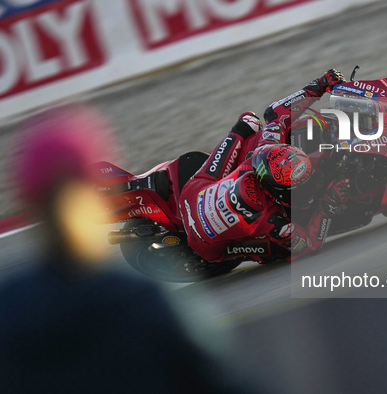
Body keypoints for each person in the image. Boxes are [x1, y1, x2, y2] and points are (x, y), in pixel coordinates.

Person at [0, 106, 259, 394]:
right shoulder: (138, 298)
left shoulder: (9, 307)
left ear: (30, 201)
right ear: (89, 190)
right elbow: (218, 379)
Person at [180, 69, 351, 263]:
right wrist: (328, 204)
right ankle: (242, 255)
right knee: (287, 251)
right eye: (298, 188)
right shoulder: (275, 221)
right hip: (206, 247)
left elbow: (275, 113)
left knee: (249, 121)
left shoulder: (267, 148)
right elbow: (309, 244)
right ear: (277, 192)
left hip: (193, 192)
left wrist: (319, 86)